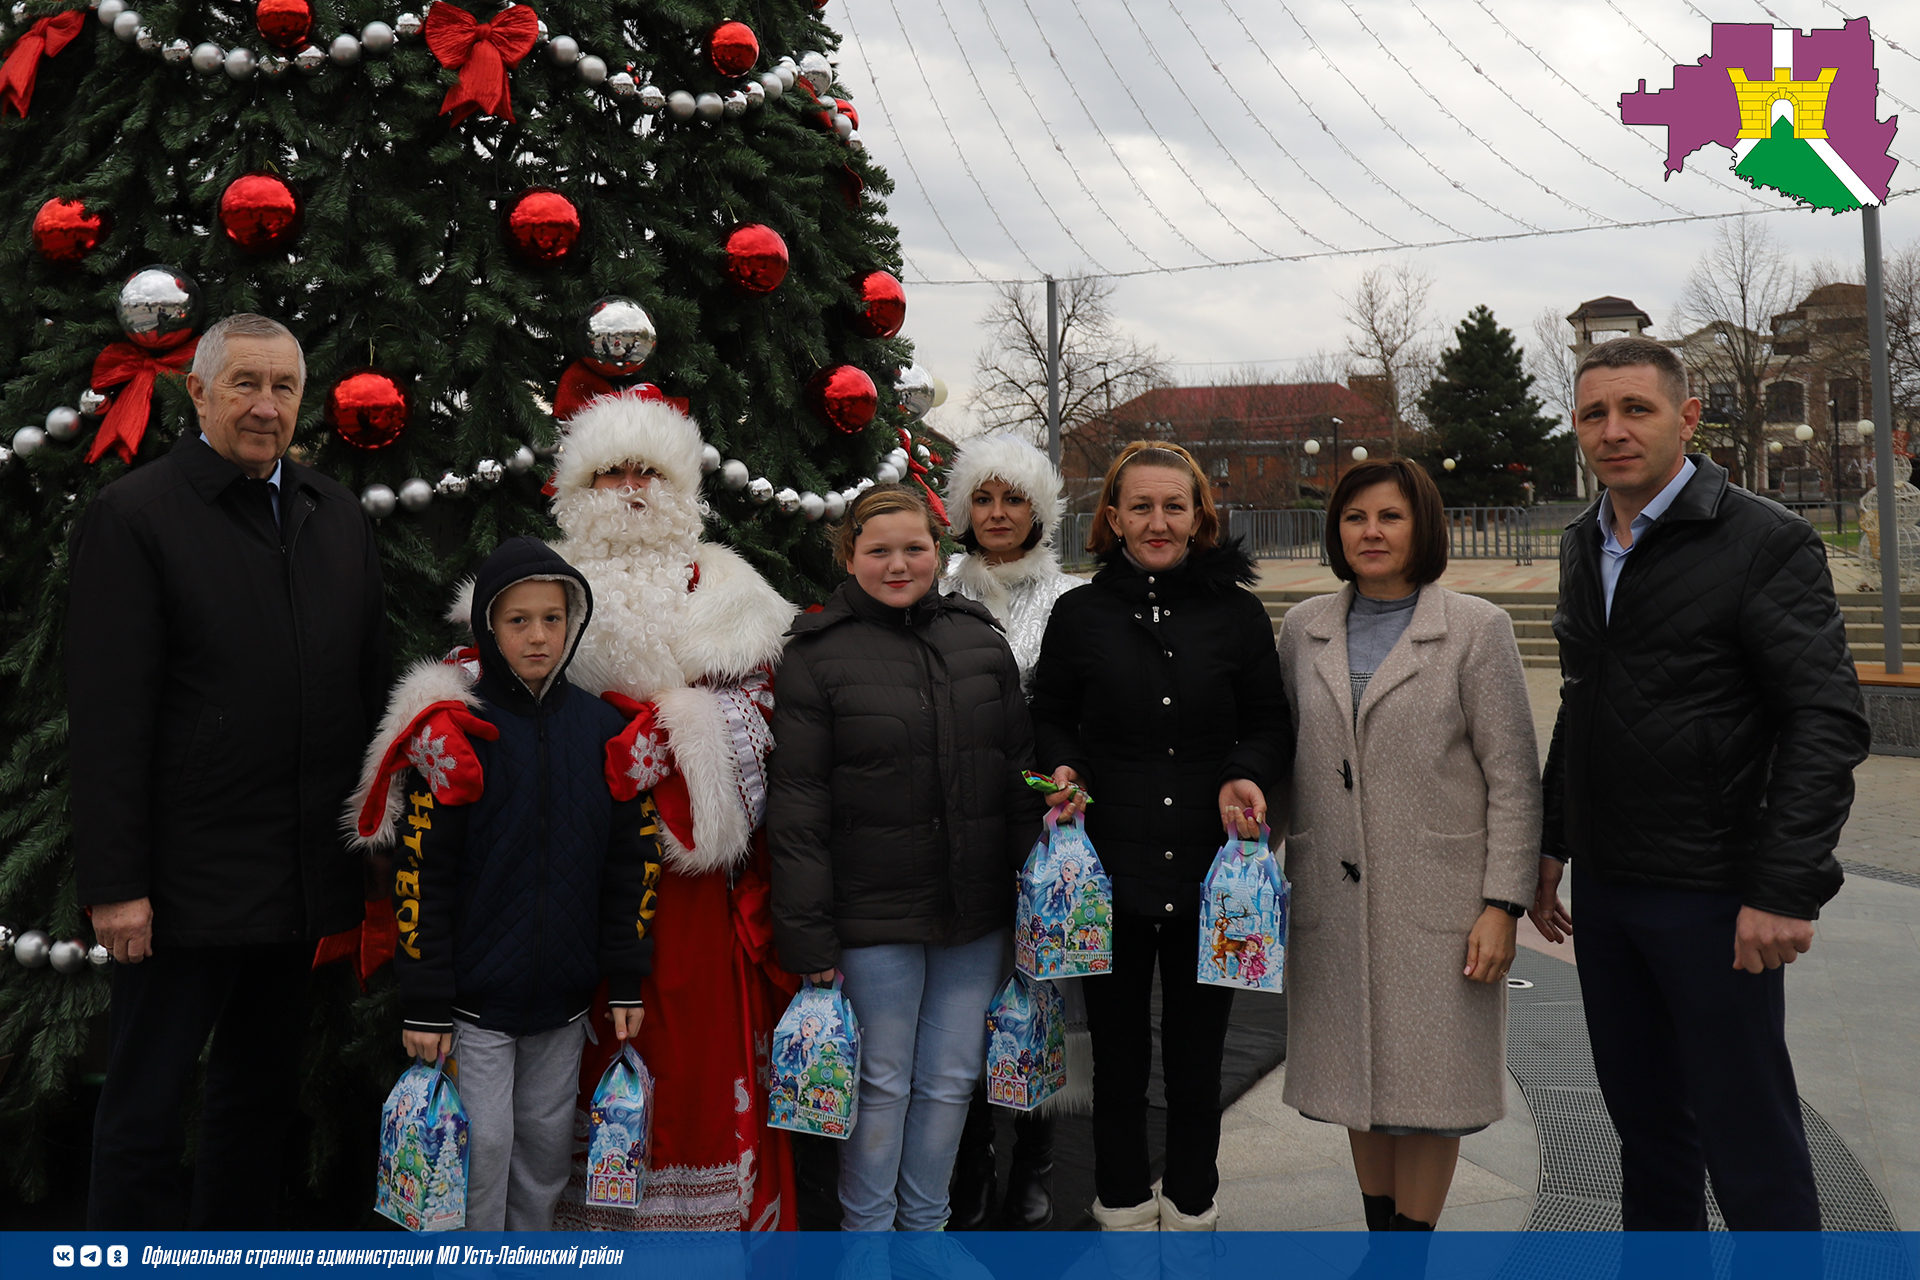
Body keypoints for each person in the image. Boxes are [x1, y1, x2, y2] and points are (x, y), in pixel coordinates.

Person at [351, 391, 802, 1230]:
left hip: (677, 880)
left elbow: (763, 718)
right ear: (574, 487)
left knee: (677, 1056)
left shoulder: (727, 584)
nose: (629, 488)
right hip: (535, 878)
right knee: (532, 1114)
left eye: (648, 471)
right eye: (608, 471)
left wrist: (678, 740)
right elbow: (473, 686)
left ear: (681, 483)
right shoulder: (542, 579)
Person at [1534, 336, 1871, 1230]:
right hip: (1609, 895)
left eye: (1636, 409)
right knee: (1647, 1133)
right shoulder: (1583, 543)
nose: (1613, 431)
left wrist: (1783, 887)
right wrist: (1551, 842)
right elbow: (1585, 703)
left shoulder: (1766, 541)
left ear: (1687, 418)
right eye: (1594, 413)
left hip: (1716, 896)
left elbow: (1825, 720)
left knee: (1748, 1141)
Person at [69, 314, 390, 1228]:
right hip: (178, 887)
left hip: (296, 881)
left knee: (256, 1105)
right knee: (144, 1110)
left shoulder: (336, 517)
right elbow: (105, 719)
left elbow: (366, 695)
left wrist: (365, 846)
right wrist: (116, 885)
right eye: (244, 384)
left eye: (284, 388)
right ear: (197, 391)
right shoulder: (135, 519)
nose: (265, 406)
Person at [360, 536, 664, 1230]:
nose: (536, 636)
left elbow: (634, 866)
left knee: (545, 1154)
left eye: (552, 619)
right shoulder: (458, 732)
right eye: (517, 620)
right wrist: (426, 1000)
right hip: (473, 1006)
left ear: (574, 623)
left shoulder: (605, 731)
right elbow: (420, 876)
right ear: (488, 630)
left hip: (563, 1002)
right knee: (482, 1150)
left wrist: (623, 979)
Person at [1029, 441, 1291, 1232]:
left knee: (1196, 1054)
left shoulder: (1237, 614)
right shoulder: (1080, 614)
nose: (1157, 521)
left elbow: (1270, 720)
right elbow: (1050, 715)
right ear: (1111, 518)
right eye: (1139, 506)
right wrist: (1064, 765)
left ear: (1199, 515)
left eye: (1173, 505)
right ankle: (1118, 1201)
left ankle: (1191, 1203)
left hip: (1208, 866)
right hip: (1107, 864)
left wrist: (1246, 768)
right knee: (1117, 1057)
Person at [768, 483, 1044, 1232]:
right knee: (882, 1082)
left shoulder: (979, 642)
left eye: (914, 548)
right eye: (879, 550)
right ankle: (866, 1240)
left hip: (975, 911)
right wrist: (809, 933)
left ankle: (924, 1230)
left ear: (939, 549)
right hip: (871, 916)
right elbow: (796, 809)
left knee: (953, 1080)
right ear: (848, 554)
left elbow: (1018, 777)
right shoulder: (815, 657)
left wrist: (1036, 893)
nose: (899, 564)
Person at [1275, 458, 1540, 1232]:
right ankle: (1380, 1234)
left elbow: (1515, 780)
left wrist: (1502, 905)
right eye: (1356, 518)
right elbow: (1286, 759)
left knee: (1433, 1087)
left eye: (1389, 517)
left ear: (1422, 526)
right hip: (1333, 892)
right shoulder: (1302, 629)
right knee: (1360, 1075)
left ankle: (1410, 1250)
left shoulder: (1475, 630)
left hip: (1442, 902)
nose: (1371, 532)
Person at [937, 433, 1087, 1231]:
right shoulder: (929, 586)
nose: (997, 513)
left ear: (1040, 509)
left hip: (1038, 828)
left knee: (1037, 993)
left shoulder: (1072, 598)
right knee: (960, 1002)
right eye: (984, 499)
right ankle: (967, 1170)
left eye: (1013, 498)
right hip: (950, 828)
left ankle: (1033, 1167)